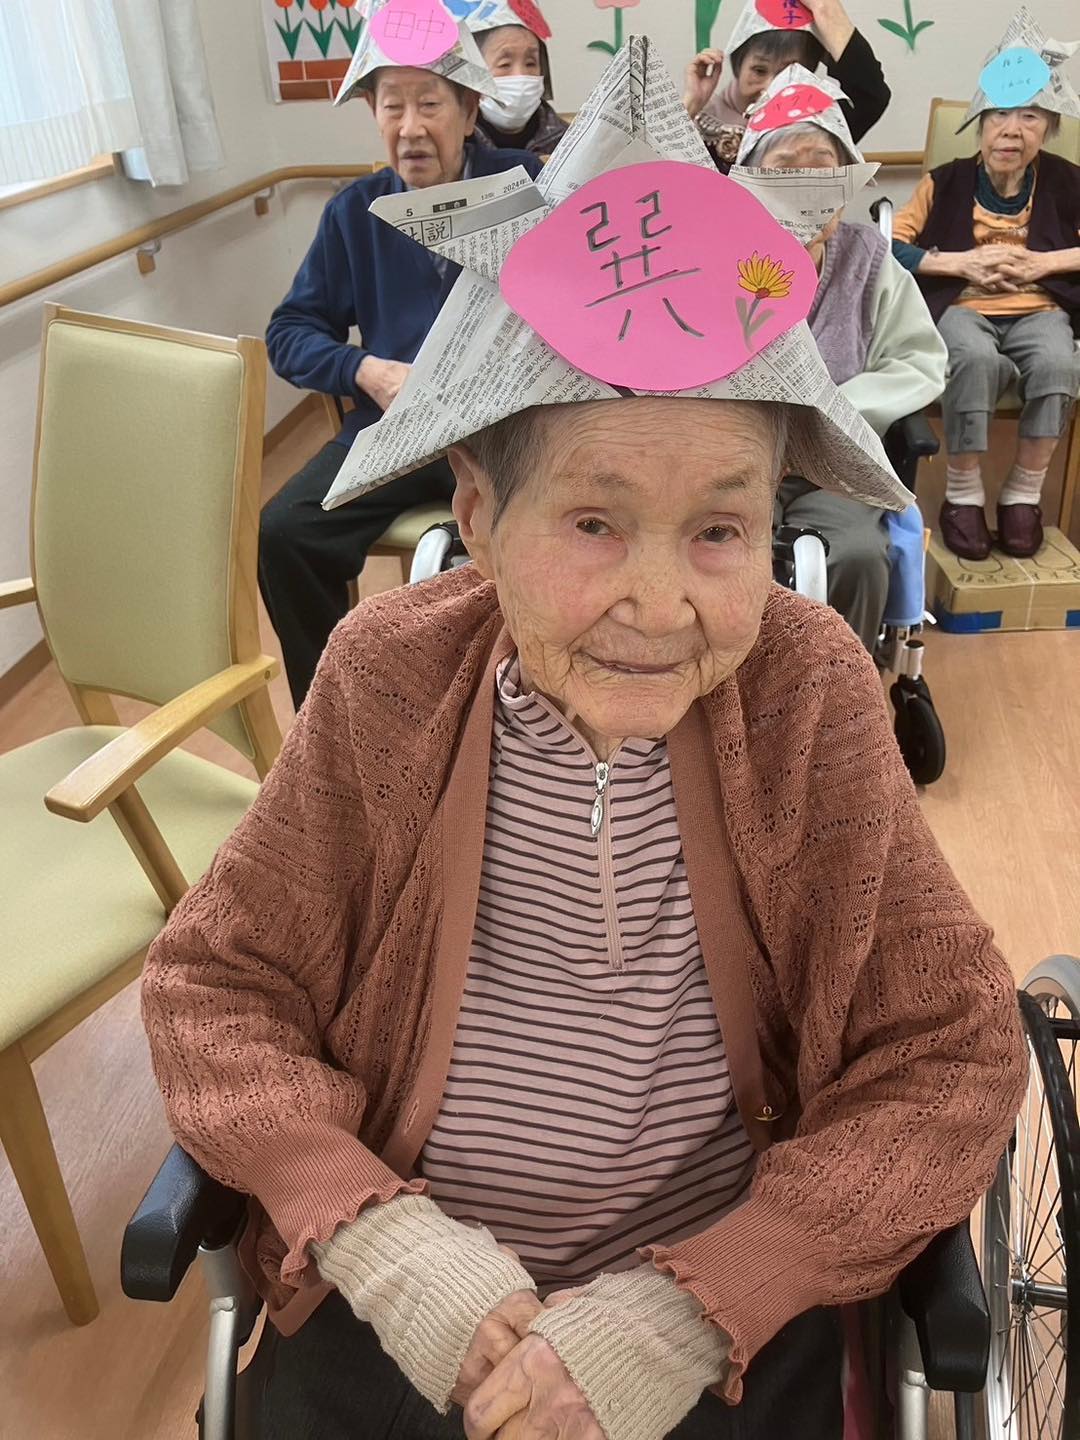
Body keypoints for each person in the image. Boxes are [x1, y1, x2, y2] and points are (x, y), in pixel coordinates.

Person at [143, 41, 1025, 1440]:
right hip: (408, 1294)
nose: (660, 604)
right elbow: (215, 987)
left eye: (722, 529)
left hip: (721, 1323)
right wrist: (375, 1234)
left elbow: (951, 1050)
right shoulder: (387, 676)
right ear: (478, 516)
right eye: (595, 522)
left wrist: (703, 1300)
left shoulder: (805, 690)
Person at [260, 13, 542, 709]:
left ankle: (517, 706)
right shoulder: (354, 213)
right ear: (374, 115)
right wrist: (368, 370)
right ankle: (335, 717)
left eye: (430, 104)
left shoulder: (525, 187)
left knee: (552, 533)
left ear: (469, 113)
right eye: (393, 107)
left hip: (506, 431)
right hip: (399, 430)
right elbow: (290, 330)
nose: (411, 127)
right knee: (286, 531)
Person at [737, 67, 947, 649]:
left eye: (822, 165)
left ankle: (844, 694)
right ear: (752, 183)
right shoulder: (718, 257)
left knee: (854, 554)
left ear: (847, 179)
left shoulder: (870, 260)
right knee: (722, 553)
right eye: (785, 167)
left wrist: (833, 409)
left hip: (834, 468)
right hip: (734, 464)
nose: (806, 182)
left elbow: (919, 360)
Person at [891, 12, 1080, 560]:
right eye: (999, 113)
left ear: (1049, 128)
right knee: (972, 359)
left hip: (1042, 309)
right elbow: (891, 247)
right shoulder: (944, 180)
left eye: (1030, 116)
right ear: (980, 122)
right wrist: (963, 265)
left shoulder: (1068, 181)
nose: (1012, 130)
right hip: (963, 307)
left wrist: (1041, 264)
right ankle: (963, 494)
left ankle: (1023, 495)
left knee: (1059, 362)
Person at [684, 0, 890, 167]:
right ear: (738, 64)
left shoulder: (819, 127)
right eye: (759, 70)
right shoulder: (704, 124)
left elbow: (871, 97)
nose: (771, 87)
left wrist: (825, 10)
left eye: (788, 73)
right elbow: (673, 184)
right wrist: (692, 103)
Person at [462, 0, 568, 157]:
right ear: (471, 72)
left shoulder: (569, 143)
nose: (521, 76)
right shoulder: (452, 146)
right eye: (504, 64)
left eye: (531, 63)